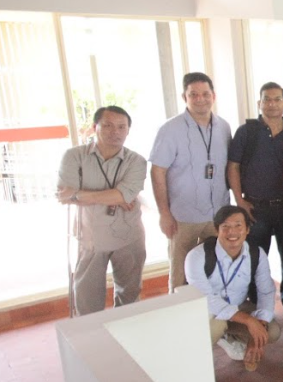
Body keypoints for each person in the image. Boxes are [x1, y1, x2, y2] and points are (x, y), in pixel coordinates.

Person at [56, 106, 147, 316]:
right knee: (87, 298)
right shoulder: (74, 156)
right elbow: (63, 195)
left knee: (130, 295)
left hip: (128, 235)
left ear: (128, 131)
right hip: (90, 237)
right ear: (94, 127)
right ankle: (92, 342)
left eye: (121, 127)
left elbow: (124, 195)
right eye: (107, 125)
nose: (114, 131)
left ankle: (126, 335)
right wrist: (115, 195)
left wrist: (79, 193)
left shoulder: (136, 161)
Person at [227, 82, 283, 320]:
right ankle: (255, 303)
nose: (272, 104)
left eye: (277, 99)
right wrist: (239, 201)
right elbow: (233, 166)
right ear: (259, 103)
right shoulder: (246, 132)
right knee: (255, 257)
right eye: (266, 99)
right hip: (255, 207)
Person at [149, 72, 232, 291]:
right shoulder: (170, 129)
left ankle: (217, 316)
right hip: (183, 216)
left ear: (213, 96)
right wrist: (164, 213)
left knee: (217, 269)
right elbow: (157, 172)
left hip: (218, 214)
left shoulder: (223, 127)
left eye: (205, 94)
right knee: (180, 273)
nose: (200, 99)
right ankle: (178, 316)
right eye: (193, 94)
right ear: (184, 97)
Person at [183, 205, 281, 372]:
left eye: (238, 226)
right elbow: (207, 299)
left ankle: (229, 336)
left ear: (247, 230)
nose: (232, 232)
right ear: (217, 230)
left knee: (272, 331)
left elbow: (266, 291)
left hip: (238, 306)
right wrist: (249, 321)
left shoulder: (256, 254)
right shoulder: (197, 257)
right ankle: (195, 369)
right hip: (208, 312)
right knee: (214, 329)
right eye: (225, 227)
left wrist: (260, 327)